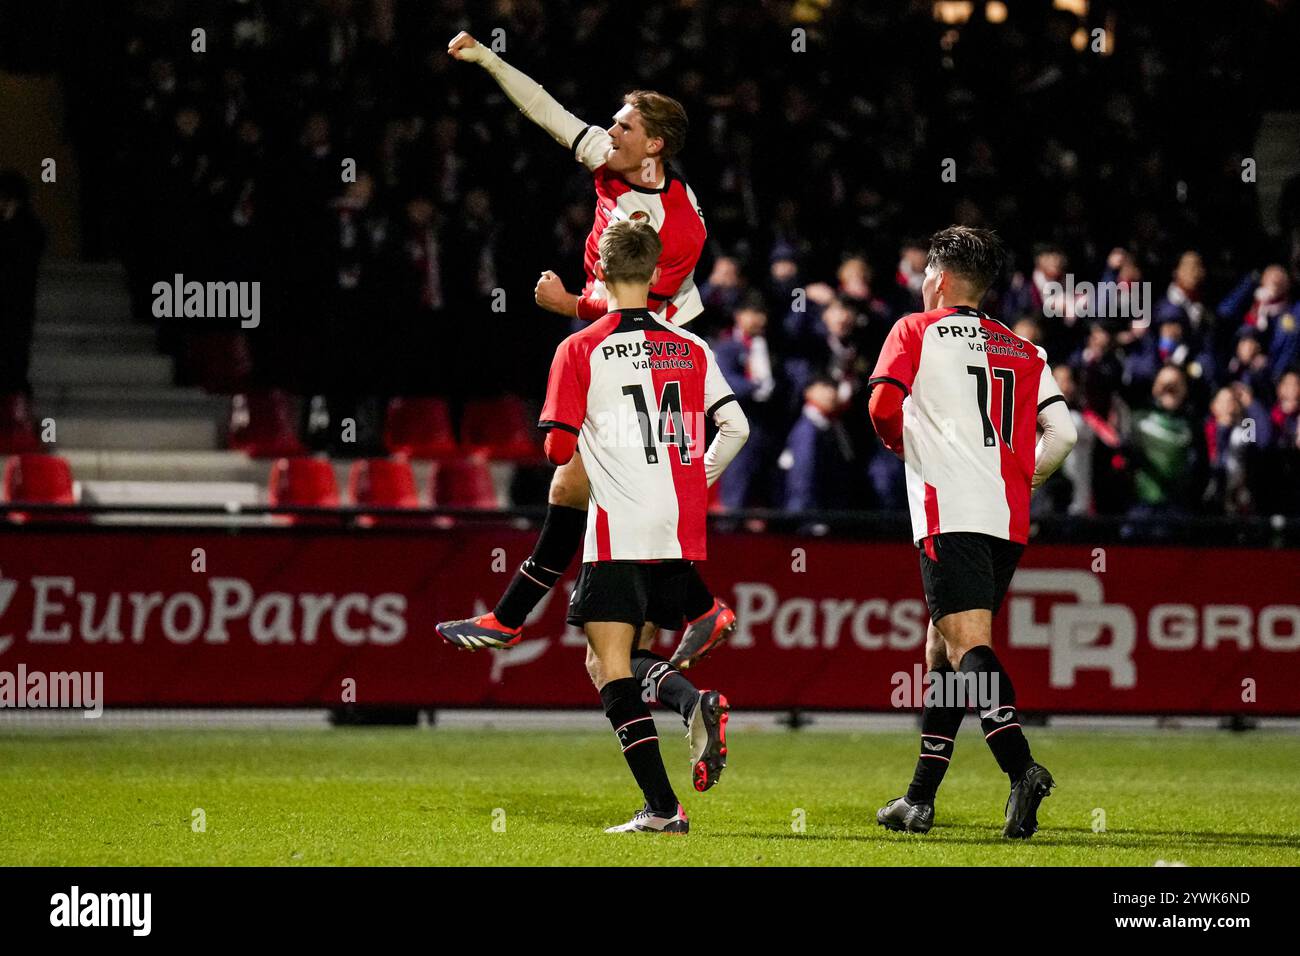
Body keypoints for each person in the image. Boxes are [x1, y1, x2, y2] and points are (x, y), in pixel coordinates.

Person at [435, 32, 736, 668]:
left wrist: (570, 306)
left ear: (654, 145)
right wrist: (488, 59)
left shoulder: (672, 228)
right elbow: (548, 111)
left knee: (589, 495)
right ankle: (523, 618)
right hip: (625, 340)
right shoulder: (622, 165)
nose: (609, 131)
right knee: (572, 490)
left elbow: (641, 309)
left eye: (624, 126)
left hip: (658, 352)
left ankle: (523, 619)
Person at [534, 220, 749, 830]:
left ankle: (662, 806)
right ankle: (690, 704)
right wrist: (692, 479)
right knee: (633, 650)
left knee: (607, 665)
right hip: (675, 528)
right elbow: (738, 429)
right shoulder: (692, 345)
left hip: (618, 524)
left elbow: (555, 450)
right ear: (657, 274)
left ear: (598, 275)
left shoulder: (580, 348)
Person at [867, 226, 1077, 839]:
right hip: (1005, 519)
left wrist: (904, 447)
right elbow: (1063, 435)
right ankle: (919, 799)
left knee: (965, 649)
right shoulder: (1023, 347)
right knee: (942, 648)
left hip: (948, 510)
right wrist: (1027, 477)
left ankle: (1021, 769)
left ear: (937, 277)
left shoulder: (914, 330)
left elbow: (882, 405)